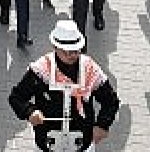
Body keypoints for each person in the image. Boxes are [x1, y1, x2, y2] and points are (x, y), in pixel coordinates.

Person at [8, 20, 121, 152]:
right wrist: (29, 111)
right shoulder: (40, 70)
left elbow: (111, 101)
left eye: (74, 51)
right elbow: (16, 97)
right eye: (65, 51)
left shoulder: (90, 69)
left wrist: (102, 124)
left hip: (82, 144)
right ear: (55, 48)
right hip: (46, 144)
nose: (71, 56)